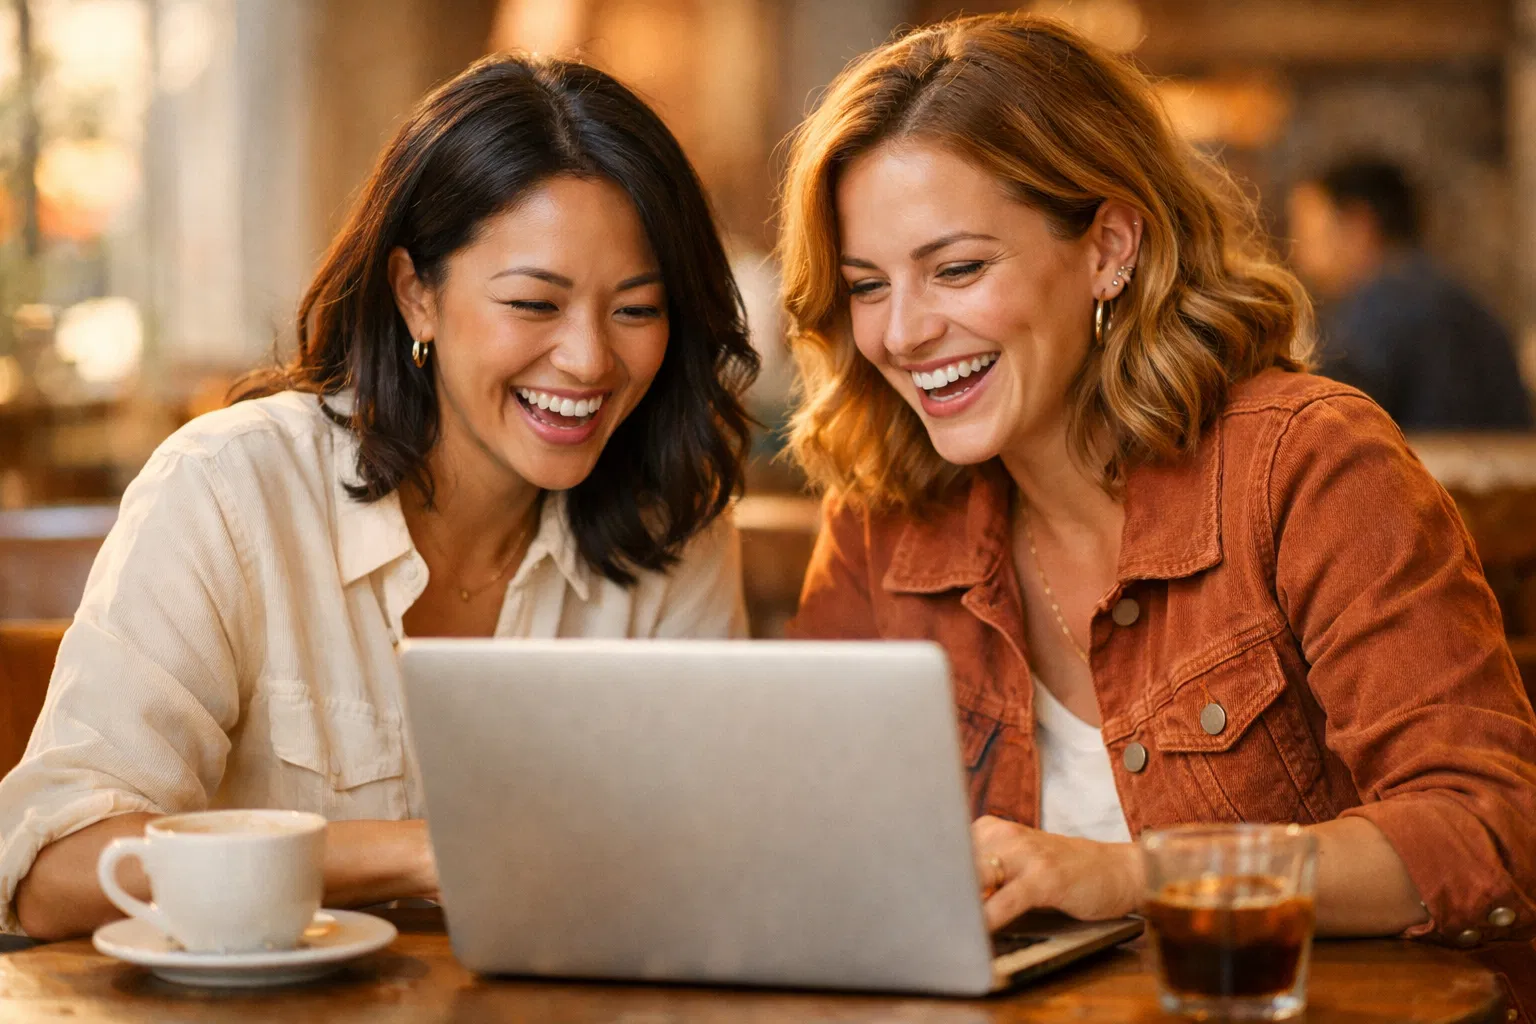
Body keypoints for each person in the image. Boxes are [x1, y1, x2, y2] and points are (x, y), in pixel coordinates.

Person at [779, 12, 1536, 955]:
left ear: (1109, 249)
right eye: (867, 285)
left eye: (958, 269)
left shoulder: (1305, 465)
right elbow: (804, 838)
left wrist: (1138, 877)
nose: (901, 334)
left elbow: (1486, 828)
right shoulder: (880, 517)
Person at [0, 53, 759, 939]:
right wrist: (423, 853)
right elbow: (57, 871)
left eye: (636, 310)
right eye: (533, 304)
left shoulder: (674, 525)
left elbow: (716, 861)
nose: (590, 359)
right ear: (415, 295)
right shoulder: (231, 488)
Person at [1287, 158, 1532, 430]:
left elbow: (1329, 427)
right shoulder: (1463, 301)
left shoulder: (1379, 308)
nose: (1298, 254)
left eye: (1307, 233)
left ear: (1358, 226)